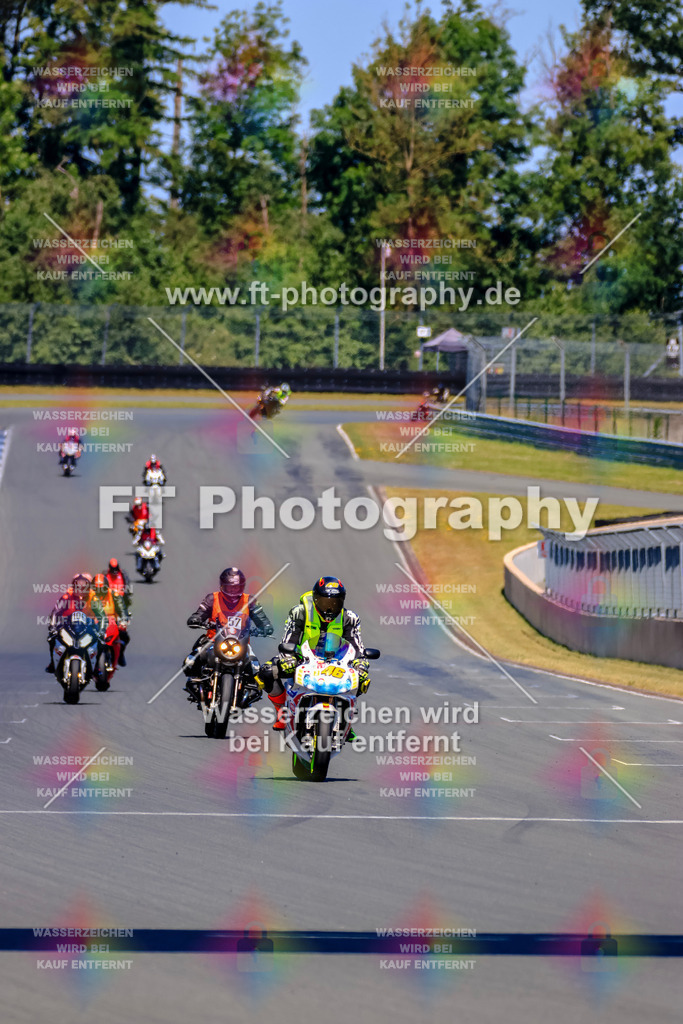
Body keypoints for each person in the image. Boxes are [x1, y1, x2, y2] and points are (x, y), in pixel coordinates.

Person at [258, 576, 370, 730]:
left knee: (361, 679)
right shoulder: (299, 612)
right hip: (302, 659)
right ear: (316, 599)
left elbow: (356, 645)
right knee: (267, 672)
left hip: (337, 662)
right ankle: (282, 712)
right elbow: (289, 638)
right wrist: (288, 658)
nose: (329, 608)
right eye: (325, 602)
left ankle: (345, 723)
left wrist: (360, 663)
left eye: (335, 603)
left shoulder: (350, 618)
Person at [183, 567, 274, 700]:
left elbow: (262, 620)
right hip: (213, 640)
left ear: (242, 587)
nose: (233, 591)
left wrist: (265, 627)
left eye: (236, 587)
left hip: (241, 643)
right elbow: (199, 613)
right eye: (230, 587)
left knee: (255, 669)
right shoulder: (212, 598)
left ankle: (249, 691)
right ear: (222, 586)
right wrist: (196, 619)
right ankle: (196, 684)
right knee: (191, 661)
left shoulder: (249, 601)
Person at [45, 572, 93, 672]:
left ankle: (96, 665)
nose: (81, 590)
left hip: (86, 627)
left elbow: (100, 614)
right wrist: (53, 626)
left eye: (83, 587)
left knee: (100, 641)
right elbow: (56, 612)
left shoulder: (93, 598)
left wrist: (99, 626)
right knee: (52, 638)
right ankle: (53, 662)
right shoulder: (66, 598)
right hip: (67, 626)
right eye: (78, 586)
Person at [88, 574, 127, 672]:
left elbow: (122, 608)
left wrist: (124, 619)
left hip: (112, 623)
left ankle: (120, 654)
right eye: (97, 589)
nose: (100, 592)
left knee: (124, 636)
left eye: (102, 589)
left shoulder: (114, 595)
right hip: (94, 623)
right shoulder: (89, 595)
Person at [103, 558, 132, 665]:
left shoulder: (123, 575)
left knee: (123, 634)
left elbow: (128, 588)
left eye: (116, 569)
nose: (114, 571)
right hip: (106, 606)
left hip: (120, 607)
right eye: (112, 569)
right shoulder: (105, 575)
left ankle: (120, 654)